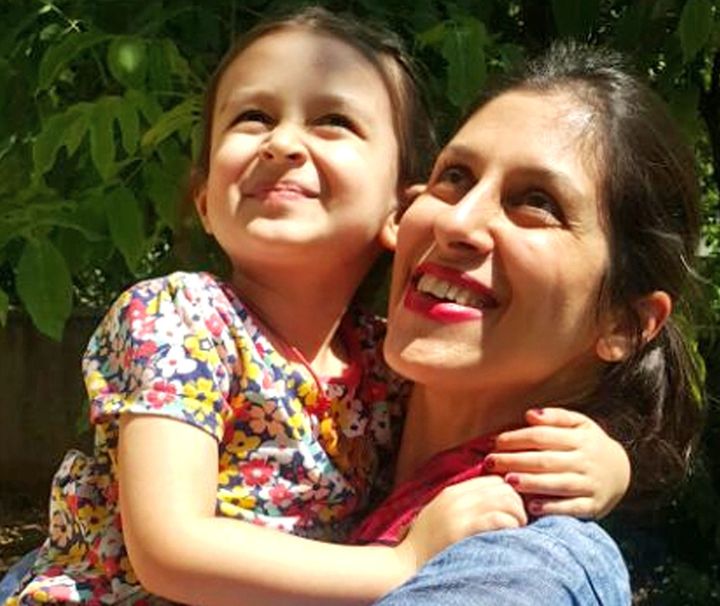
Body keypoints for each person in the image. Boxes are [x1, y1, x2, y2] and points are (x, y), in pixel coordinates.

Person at [3, 10, 631, 606]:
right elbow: (169, 549)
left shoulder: (382, 370)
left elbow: (477, 452)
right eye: (251, 117)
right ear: (202, 201)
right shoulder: (181, 319)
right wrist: (400, 565)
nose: (281, 143)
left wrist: (607, 465)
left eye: (332, 119)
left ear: (400, 208)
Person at [349, 42, 705, 604]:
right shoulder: (307, 420)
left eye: (537, 201)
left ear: (625, 324)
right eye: (455, 177)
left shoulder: (524, 568)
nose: (457, 222)